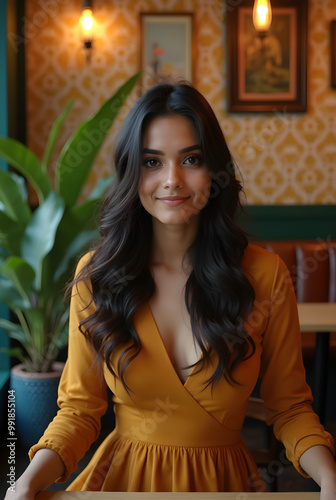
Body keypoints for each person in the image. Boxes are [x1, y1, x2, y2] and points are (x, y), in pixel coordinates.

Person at [7, 82, 336, 498]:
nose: (172, 180)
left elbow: (289, 408)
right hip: (122, 484)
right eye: (152, 162)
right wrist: (25, 482)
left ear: (214, 170)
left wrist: (329, 479)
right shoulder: (96, 277)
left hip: (225, 485)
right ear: (132, 171)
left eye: (191, 159)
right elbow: (78, 412)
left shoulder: (264, 276)